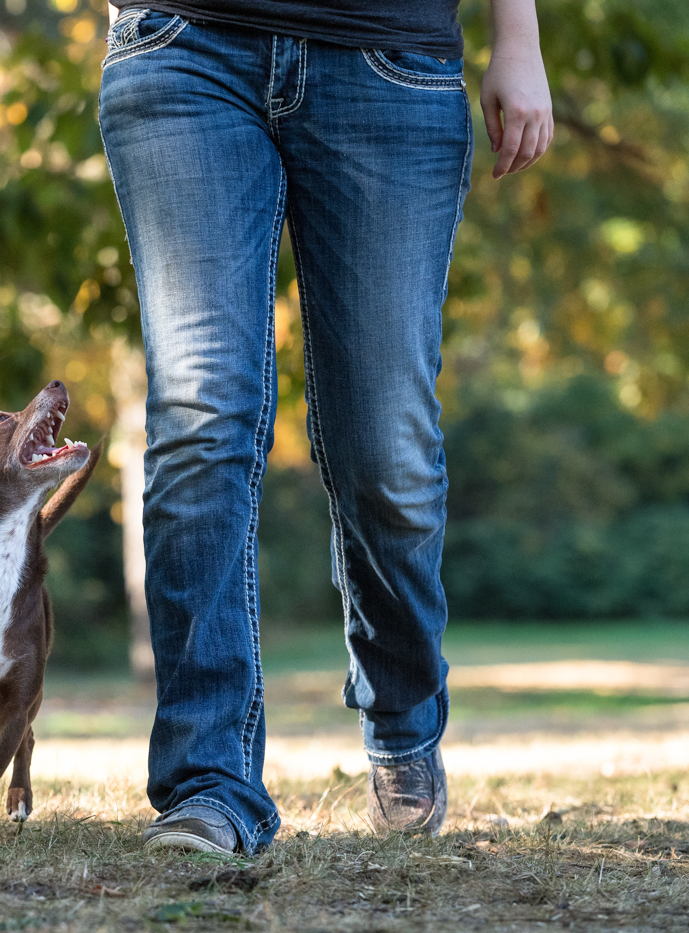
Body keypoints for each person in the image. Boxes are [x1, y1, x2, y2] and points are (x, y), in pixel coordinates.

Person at [97, 0, 552, 854]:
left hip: (389, 60)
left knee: (385, 446)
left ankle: (405, 722)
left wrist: (517, 41)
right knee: (200, 416)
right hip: (185, 46)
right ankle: (209, 781)